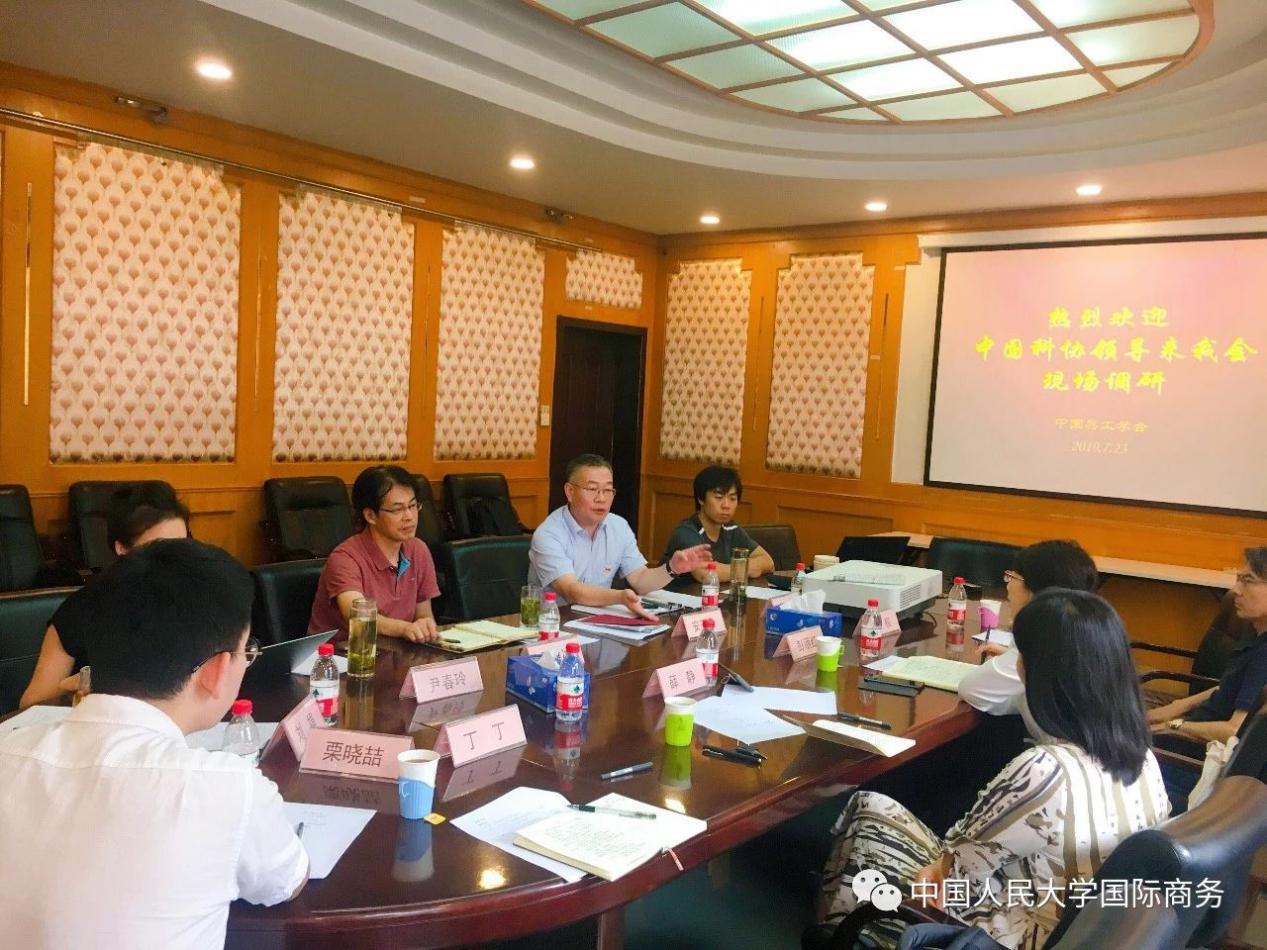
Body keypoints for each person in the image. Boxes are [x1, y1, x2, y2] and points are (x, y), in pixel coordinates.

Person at [819, 589, 1169, 950]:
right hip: (1083, 928)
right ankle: (841, 932)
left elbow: (954, 873)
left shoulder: (1047, 770)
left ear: (1038, 672)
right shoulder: (1144, 758)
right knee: (879, 810)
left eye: (1021, 654)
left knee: (870, 812)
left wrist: (937, 871)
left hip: (1010, 934)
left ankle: (848, 935)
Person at [0, 539, 308, 948]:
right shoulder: (226, 788)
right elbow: (287, 881)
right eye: (246, 652)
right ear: (216, 670)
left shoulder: (8, 750)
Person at [19, 482, 190, 709]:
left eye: (182, 547)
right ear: (122, 549)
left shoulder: (196, 601)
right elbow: (31, 704)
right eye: (158, 549)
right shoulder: (82, 609)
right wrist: (81, 685)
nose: (174, 560)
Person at [1149, 546, 1267, 811]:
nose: (1236, 590)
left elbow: (1233, 732)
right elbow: (1229, 687)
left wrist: (1174, 725)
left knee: (1104, 758)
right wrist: (1178, 706)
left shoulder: (1264, 656)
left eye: (1247, 580)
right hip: (1188, 741)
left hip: (1194, 762)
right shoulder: (1256, 632)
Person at [528, 453, 711, 617]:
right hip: (552, 625)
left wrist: (672, 568)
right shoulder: (549, 534)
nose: (601, 498)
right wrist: (619, 597)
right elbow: (571, 592)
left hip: (597, 621)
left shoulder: (618, 526)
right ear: (570, 492)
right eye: (592, 489)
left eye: (608, 490)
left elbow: (640, 579)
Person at [957, 539, 1099, 716]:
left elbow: (971, 689)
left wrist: (1021, 661)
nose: (1008, 585)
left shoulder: (1041, 638)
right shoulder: (1091, 628)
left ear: (1034, 589)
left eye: (1013, 577)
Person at [309, 465, 441, 642]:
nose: (409, 516)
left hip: (395, 651)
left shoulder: (418, 550)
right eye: (397, 509)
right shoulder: (345, 558)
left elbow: (424, 616)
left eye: (412, 505)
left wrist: (426, 628)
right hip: (340, 654)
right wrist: (405, 629)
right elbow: (358, 617)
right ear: (370, 516)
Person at [661, 465, 775, 584]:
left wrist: (731, 570)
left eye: (732, 498)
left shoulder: (731, 528)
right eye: (719, 497)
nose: (726, 505)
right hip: (677, 594)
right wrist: (749, 568)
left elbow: (768, 562)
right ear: (701, 499)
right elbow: (705, 574)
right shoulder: (686, 532)